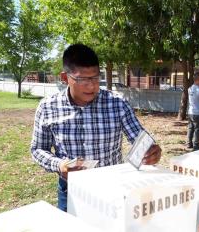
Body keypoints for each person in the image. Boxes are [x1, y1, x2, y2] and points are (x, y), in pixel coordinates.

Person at [30, 44, 161, 212]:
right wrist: (60, 164)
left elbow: (139, 137)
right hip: (71, 190)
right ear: (65, 77)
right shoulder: (48, 107)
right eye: (82, 79)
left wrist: (151, 151)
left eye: (95, 78)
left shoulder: (117, 103)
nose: (92, 86)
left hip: (113, 187)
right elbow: (38, 149)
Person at [187, 72, 199, 150]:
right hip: (198, 112)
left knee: (190, 128)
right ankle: (196, 145)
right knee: (198, 129)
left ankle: (189, 143)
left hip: (190, 111)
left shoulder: (190, 88)